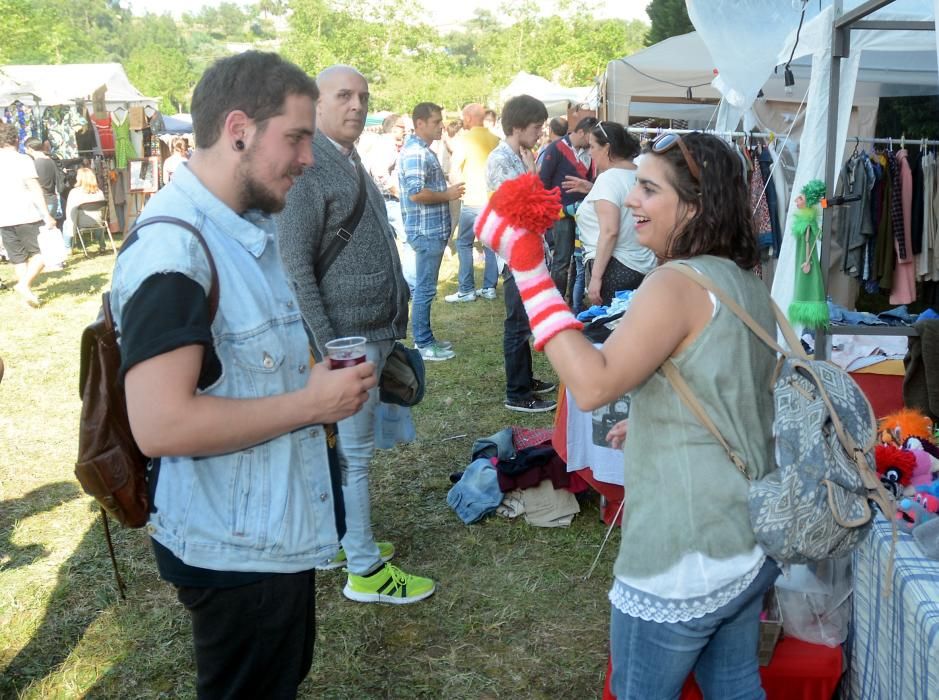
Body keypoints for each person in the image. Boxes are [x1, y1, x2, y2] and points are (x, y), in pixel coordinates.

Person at [109, 51, 377, 698]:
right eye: (296, 136)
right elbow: (160, 423)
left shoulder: (242, 229)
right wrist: (310, 405)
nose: (308, 158)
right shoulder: (175, 255)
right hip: (231, 551)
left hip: (261, 530)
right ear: (238, 130)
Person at [477, 132, 780, 698]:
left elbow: (590, 385)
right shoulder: (744, 280)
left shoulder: (673, 284)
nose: (631, 200)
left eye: (647, 188)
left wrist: (527, 268)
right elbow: (736, 391)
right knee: (736, 688)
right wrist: (655, 422)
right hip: (746, 538)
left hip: (683, 550)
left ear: (694, 205)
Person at [277, 65, 434, 605]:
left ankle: (341, 541)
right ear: (315, 104)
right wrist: (328, 347)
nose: (357, 105)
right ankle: (365, 568)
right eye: (343, 95)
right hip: (347, 341)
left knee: (343, 453)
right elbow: (295, 266)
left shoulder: (347, 159)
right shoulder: (309, 169)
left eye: (363, 96)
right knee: (355, 455)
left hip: (369, 331)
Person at [485, 94, 557, 413]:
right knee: (516, 323)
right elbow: (522, 209)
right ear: (517, 127)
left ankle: (525, 380)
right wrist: (532, 176)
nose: (540, 133)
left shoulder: (520, 156)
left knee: (525, 321)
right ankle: (516, 392)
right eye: (536, 126)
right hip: (516, 255)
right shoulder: (501, 160)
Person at [398, 101, 465, 361]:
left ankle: (426, 338)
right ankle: (423, 344)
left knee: (426, 289)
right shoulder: (416, 153)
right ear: (420, 124)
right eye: (436, 122)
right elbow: (416, 194)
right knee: (425, 290)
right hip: (426, 232)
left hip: (430, 231)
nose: (441, 126)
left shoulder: (423, 150)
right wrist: (447, 194)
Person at [576, 122, 656, 306]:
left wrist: (596, 277)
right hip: (643, 265)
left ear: (607, 148)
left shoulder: (608, 179)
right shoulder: (640, 175)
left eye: (593, 146)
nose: (590, 152)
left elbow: (610, 230)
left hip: (615, 267)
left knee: (611, 329)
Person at [538, 116, 597, 302]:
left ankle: (573, 299)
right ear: (581, 132)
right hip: (561, 213)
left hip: (583, 213)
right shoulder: (555, 148)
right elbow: (543, 181)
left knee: (580, 260)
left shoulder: (590, 152)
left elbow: (593, 180)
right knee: (562, 259)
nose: (592, 141)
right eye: (590, 137)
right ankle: (556, 301)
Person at [447, 103, 500, 303]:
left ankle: (466, 289)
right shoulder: (495, 139)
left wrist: (456, 190)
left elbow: (454, 171)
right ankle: (489, 287)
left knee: (463, 243)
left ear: (468, 118)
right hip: (492, 200)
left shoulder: (464, 140)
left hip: (471, 200)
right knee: (490, 245)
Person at [0, 122, 57, 307]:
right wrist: (46, 214)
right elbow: (34, 188)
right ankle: (24, 285)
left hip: (4, 216)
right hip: (26, 214)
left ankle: (26, 294)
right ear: (16, 139)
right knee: (41, 254)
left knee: (18, 259)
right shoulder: (23, 160)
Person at [63, 167, 106, 252]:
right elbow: (103, 210)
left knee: (66, 223)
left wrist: (72, 227)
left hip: (81, 222)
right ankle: (102, 245)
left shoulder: (74, 192)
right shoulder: (99, 192)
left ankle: (67, 248)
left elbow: (70, 211)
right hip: (98, 222)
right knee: (97, 221)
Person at [25, 138, 63, 222]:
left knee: (42, 231)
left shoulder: (35, 164)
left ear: (30, 148)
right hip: (52, 199)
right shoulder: (51, 160)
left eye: (26, 149)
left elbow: (33, 185)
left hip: (43, 202)